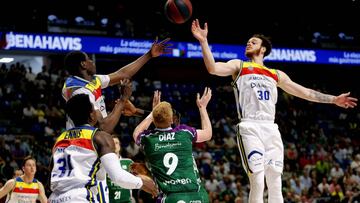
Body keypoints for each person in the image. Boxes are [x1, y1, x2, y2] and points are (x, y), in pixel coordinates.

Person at [191, 19, 358, 203]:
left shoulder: (276, 74)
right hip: (249, 126)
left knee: (275, 181)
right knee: (257, 178)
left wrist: (333, 99)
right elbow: (213, 68)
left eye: (253, 42)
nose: (248, 43)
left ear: (263, 49)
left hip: (271, 128)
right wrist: (203, 41)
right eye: (248, 42)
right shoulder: (239, 66)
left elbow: (305, 92)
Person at [49, 94, 158, 203]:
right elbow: (118, 177)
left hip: (55, 198)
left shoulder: (59, 140)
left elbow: (52, 173)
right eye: (94, 108)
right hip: (80, 197)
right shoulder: (99, 137)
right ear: (91, 115)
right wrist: (141, 182)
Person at [62, 37, 171, 134]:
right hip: (82, 145)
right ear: (83, 64)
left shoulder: (91, 80)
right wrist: (123, 99)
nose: (92, 62)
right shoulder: (80, 91)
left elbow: (123, 74)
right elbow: (103, 127)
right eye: (89, 59)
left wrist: (149, 54)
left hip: (91, 140)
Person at [133, 88, 212, 203]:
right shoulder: (184, 132)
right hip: (196, 194)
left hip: (170, 196)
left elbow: (136, 133)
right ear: (171, 120)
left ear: (154, 120)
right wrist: (202, 108)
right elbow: (208, 134)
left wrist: (152, 113)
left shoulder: (149, 138)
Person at [107, 135, 135, 203]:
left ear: (120, 146)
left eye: (116, 143)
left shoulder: (129, 162)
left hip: (126, 201)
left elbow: (140, 178)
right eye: (112, 143)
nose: (115, 145)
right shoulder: (103, 163)